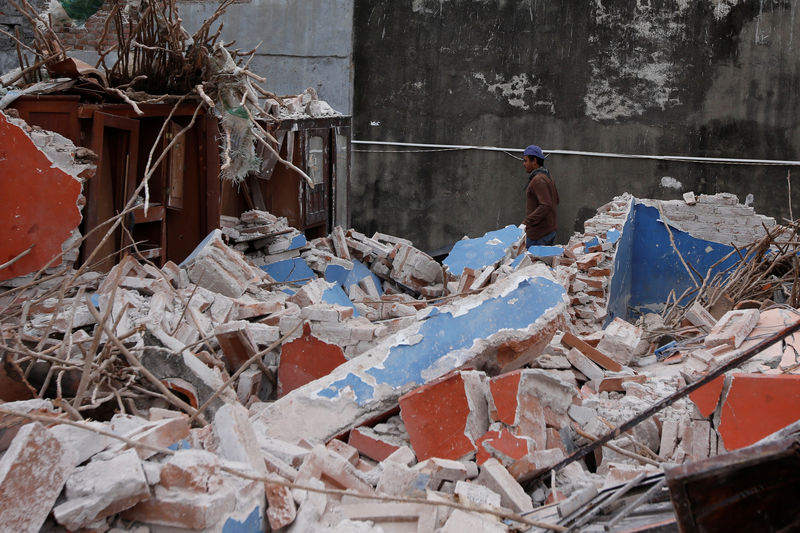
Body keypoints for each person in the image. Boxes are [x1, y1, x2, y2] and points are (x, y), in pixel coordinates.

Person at [522, 144, 559, 248]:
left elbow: (546, 205)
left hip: (539, 236)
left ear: (534, 161)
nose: (524, 164)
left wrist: (526, 223)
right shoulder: (547, 176)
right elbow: (556, 200)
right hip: (549, 231)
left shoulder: (538, 180)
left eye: (526, 160)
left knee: (534, 264)